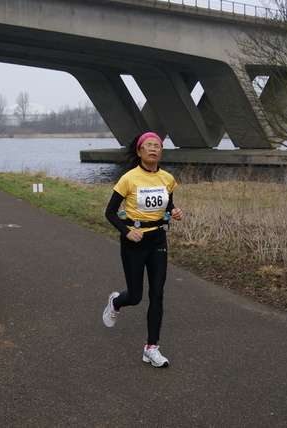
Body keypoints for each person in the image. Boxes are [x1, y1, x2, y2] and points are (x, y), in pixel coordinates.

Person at [103, 132, 183, 368]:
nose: (153, 149)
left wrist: (176, 212)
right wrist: (126, 231)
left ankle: (151, 348)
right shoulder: (128, 179)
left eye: (157, 146)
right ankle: (117, 302)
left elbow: (169, 205)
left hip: (158, 240)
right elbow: (110, 212)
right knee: (136, 296)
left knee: (157, 293)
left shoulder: (168, 178)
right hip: (134, 242)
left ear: (161, 151)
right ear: (139, 152)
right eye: (147, 146)